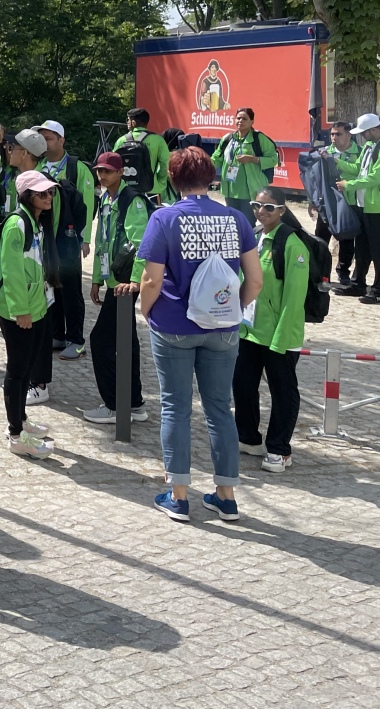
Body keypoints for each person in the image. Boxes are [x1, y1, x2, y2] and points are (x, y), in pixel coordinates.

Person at [138, 147, 261, 523]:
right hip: (223, 326)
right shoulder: (235, 218)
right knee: (220, 408)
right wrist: (234, 311)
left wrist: (146, 311)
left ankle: (178, 496)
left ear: (172, 180)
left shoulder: (164, 218)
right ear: (211, 178)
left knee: (175, 406)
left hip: (174, 325)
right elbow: (255, 280)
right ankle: (226, 497)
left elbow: (151, 279)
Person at [234, 188, 309, 475]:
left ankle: (279, 448)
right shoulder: (254, 237)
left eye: (268, 207)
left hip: (280, 335)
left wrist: (281, 339)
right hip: (250, 331)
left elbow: (293, 298)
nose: (261, 211)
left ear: (281, 210)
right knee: (242, 385)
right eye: (256, 205)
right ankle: (249, 438)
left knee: (283, 393)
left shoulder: (292, 245)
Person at [83, 152, 151, 425]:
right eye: (99, 170)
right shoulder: (106, 198)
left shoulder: (131, 199)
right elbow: (103, 239)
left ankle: (114, 405)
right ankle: (134, 403)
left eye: (108, 171)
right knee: (128, 341)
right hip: (114, 281)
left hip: (124, 283)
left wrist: (134, 282)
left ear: (121, 172)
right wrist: (98, 279)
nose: (102, 175)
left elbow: (141, 243)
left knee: (100, 341)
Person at [0, 170, 59, 459]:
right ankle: (15, 434)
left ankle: (21, 420)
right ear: (27, 196)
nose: (48, 197)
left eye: (50, 192)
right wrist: (20, 310)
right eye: (42, 193)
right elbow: (10, 272)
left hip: (37, 306)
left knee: (28, 366)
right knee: (17, 370)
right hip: (19, 311)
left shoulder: (36, 222)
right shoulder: (16, 224)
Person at [36, 120, 96, 363]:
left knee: (71, 291)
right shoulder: (38, 165)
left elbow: (88, 204)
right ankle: (57, 334)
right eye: (42, 138)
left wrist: (84, 238)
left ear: (61, 140)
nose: (45, 142)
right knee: (51, 286)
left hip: (69, 238)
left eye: (49, 138)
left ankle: (76, 340)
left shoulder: (76, 167)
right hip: (45, 238)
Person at [335, 112, 380, 304]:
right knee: (362, 247)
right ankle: (358, 283)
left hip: (376, 207)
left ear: (373, 130)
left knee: (377, 249)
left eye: (364, 132)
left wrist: (349, 185)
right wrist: (336, 161)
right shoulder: (369, 146)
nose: (361, 136)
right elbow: (357, 169)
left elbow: (375, 177)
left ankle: (377, 289)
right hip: (363, 204)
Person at [211, 107, 278, 224]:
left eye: (244, 119)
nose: (240, 121)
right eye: (238, 118)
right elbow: (216, 158)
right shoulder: (227, 139)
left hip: (251, 192)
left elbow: (273, 159)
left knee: (247, 224)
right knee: (233, 224)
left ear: (252, 122)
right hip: (230, 191)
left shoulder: (259, 139)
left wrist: (253, 159)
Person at [318, 121, 361, 289]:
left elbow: (358, 171)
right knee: (321, 239)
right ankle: (322, 273)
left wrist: (336, 162)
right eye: (332, 134)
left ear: (349, 135)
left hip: (349, 202)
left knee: (347, 240)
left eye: (338, 134)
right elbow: (317, 178)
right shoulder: (325, 152)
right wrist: (313, 202)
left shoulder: (359, 151)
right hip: (327, 203)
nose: (334, 138)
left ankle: (343, 272)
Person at [115, 108, 170, 202]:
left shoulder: (122, 140)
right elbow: (166, 164)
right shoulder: (158, 140)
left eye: (128, 119)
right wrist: (160, 183)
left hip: (126, 190)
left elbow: (114, 164)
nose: (127, 122)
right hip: (151, 189)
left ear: (133, 122)